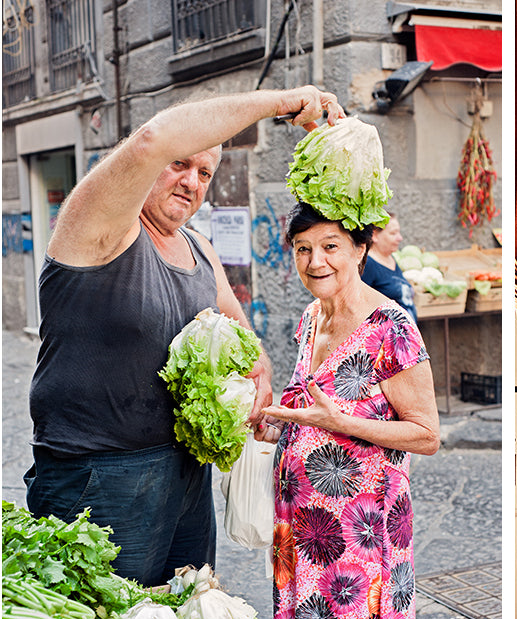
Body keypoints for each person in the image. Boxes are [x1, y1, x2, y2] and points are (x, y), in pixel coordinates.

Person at [24, 85, 342, 587]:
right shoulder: (97, 224)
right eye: (181, 164)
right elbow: (154, 138)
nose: (191, 181)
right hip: (100, 478)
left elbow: (243, 335)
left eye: (205, 173)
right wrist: (285, 102)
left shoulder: (199, 247)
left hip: (186, 478)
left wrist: (257, 382)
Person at [258, 202, 439, 619]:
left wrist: (342, 422)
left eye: (331, 245)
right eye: (303, 248)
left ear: (361, 249)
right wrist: (267, 424)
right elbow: (303, 413)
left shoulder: (391, 327)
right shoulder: (311, 320)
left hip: (361, 548)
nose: (316, 261)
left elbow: (427, 434)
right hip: (303, 540)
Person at [360, 212, 418, 320]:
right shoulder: (369, 264)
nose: (400, 238)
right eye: (393, 233)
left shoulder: (391, 258)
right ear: (375, 235)